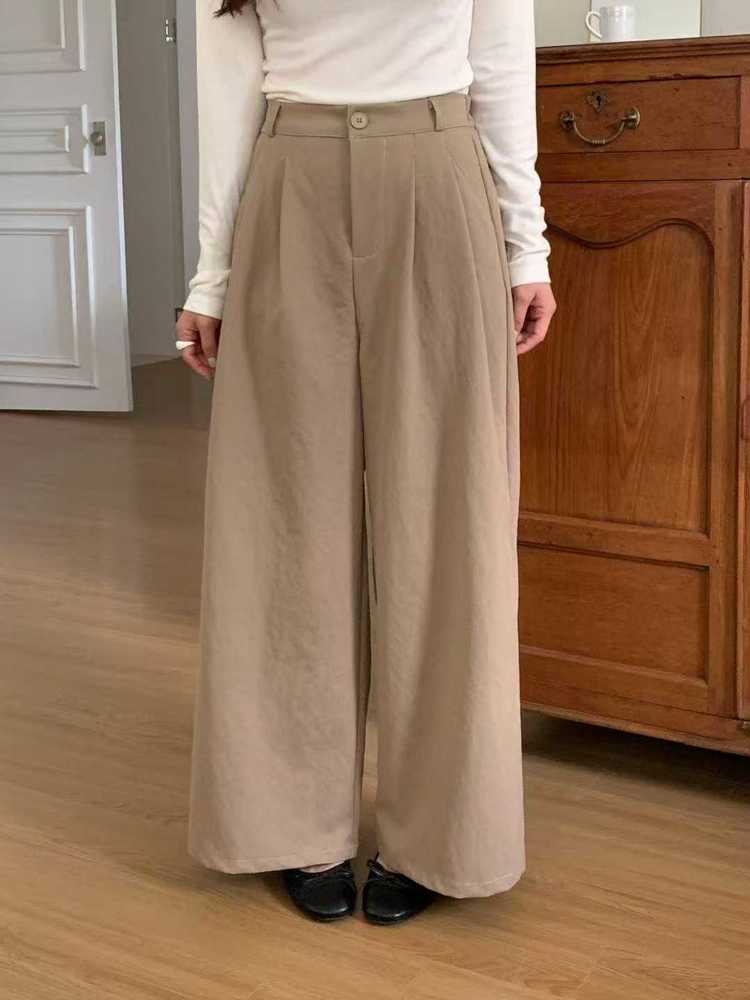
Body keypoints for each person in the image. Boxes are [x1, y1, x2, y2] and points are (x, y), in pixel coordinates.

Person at [175, 0, 555, 926]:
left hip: (439, 170)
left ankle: (445, 834)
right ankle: (290, 821)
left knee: (448, 518)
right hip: (290, 179)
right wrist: (211, 275)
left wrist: (527, 248)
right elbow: (227, 88)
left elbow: (500, 64)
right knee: (282, 515)